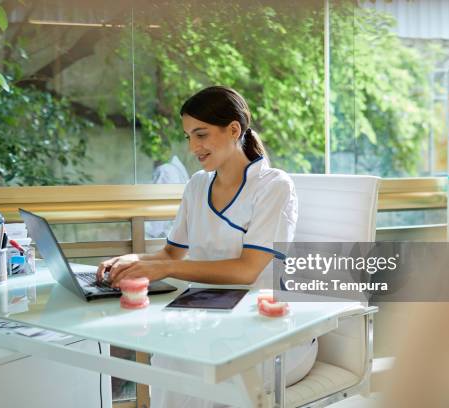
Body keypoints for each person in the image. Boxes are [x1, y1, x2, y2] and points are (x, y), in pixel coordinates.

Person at [96, 86, 317, 407]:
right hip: (207, 322)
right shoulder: (197, 185)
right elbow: (170, 255)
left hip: (270, 334)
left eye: (201, 134)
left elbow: (247, 270)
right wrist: (131, 260)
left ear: (234, 129)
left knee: (194, 370)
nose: (193, 147)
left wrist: (166, 267)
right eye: (188, 137)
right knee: (170, 361)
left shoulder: (273, 186)